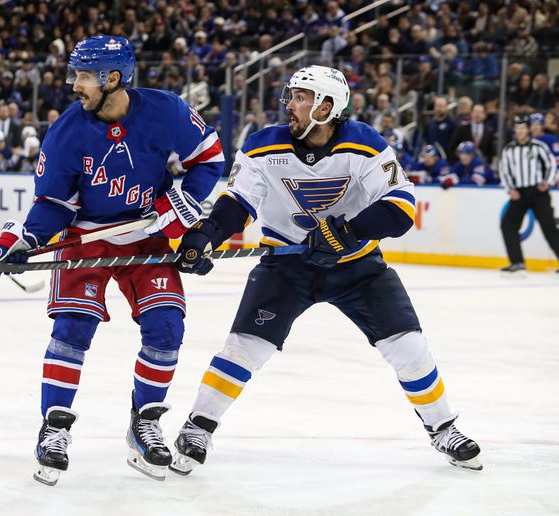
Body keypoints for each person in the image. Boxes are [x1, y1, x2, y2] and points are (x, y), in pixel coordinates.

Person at [168, 65, 482, 476]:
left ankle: (443, 427)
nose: (290, 105)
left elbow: (402, 207)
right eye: (291, 96)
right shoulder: (262, 146)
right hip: (287, 266)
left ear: (327, 106)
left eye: (301, 97)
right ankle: (198, 427)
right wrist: (208, 233)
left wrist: (348, 233)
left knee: (409, 346)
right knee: (245, 347)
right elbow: (239, 203)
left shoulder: (366, 144)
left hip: (357, 266)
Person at [0, 35, 224, 485]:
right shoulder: (66, 132)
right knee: (72, 331)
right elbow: (55, 202)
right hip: (87, 239)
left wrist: (174, 212)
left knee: (167, 327)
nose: (74, 85)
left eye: (82, 76)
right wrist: (28, 239)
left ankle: (145, 424)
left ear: (112, 78)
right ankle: (54, 429)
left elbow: (209, 159)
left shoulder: (166, 110)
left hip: (148, 238)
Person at [499, 114, 559, 275]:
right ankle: (517, 263)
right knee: (507, 225)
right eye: (517, 128)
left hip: (538, 192)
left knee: (549, 227)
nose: (519, 131)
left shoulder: (538, 146)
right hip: (519, 193)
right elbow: (504, 171)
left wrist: (549, 182)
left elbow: (552, 164)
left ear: (528, 130)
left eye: (523, 128)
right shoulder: (508, 149)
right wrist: (510, 189)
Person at [529, 113, 559, 183]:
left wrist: (554, 177)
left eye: (537, 124)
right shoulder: (527, 140)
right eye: (532, 124)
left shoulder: (551, 139)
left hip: (548, 179)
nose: (534, 127)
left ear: (542, 126)